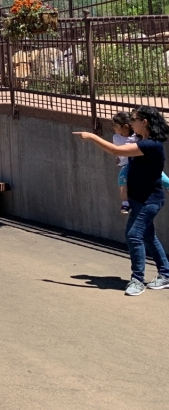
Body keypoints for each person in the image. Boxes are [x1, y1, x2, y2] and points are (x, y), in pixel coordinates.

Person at [73, 106, 169, 296]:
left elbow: (116, 149)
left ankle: (137, 280)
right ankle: (165, 274)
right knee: (148, 236)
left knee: (133, 235)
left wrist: (92, 137)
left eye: (134, 120)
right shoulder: (142, 141)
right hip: (138, 198)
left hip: (150, 200)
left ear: (144, 122)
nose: (131, 123)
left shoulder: (151, 145)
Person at [113, 111, 139, 215]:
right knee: (122, 179)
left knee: (158, 173)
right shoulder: (116, 137)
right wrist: (119, 157)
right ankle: (125, 203)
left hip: (139, 162)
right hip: (128, 164)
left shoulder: (137, 137)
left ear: (126, 127)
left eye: (115, 125)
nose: (113, 128)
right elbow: (121, 150)